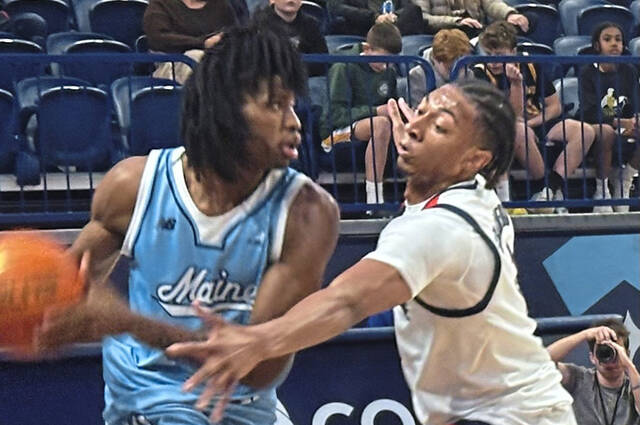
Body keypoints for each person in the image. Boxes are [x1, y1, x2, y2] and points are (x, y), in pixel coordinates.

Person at [167, 79, 578, 425]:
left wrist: (258, 342)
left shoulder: (441, 229)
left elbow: (347, 301)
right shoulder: (475, 195)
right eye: (421, 111)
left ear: (474, 159)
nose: (415, 127)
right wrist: (429, 147)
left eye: (441, 128)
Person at [34, 25, 339, 425]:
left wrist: (126, 322)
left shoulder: (308, 213)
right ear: (227, 110)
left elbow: (258, 366)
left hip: (243, 404)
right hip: (150, 402)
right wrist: (61, 313)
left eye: (294, 105)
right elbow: (60, 299)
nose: (295, 122)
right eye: (276, 105)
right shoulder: (134, 186)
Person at [473, 21, 596, 211]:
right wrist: (515, 85)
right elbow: (512, 115)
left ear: (513, 51)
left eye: (499, 55)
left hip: (535, 121)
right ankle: (539, 188)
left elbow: (554, 106)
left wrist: (534, 122)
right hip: (504, 128)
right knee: (518, 129)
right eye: (489, 54)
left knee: (584, 131)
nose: (494, 61)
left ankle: (550, 189)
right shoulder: (479, 73)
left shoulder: (530, 65)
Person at [320, 22, 401, 207]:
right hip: (333, 135)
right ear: (367, 48)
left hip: (372, 130)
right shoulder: (343, 67)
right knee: (380, 123)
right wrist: (375, 111)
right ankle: (375, 201)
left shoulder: (389, 72)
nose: (387, 65)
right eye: (383, 59)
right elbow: (335, 115)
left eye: (392, 60)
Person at [577, 21, 640, 213]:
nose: (614, 43)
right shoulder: (588, 72)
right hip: (593, 125)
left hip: (623, 124)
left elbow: (635, 103)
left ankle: (625, 179)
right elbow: (589, 112)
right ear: (597, 46)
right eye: (607, 39)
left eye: (618, 40)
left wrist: (636, 121)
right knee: (606, 132)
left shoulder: (629, 70)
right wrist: (622, 122)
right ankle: (601, 191)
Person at [546, 319, 640, 424]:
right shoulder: (579, 379)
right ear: (592, 357)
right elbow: (542, 361)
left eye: (616, 352)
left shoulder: (634, 385)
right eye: (603, 352)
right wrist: (585, 334)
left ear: (626, 355)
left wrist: (629, 366)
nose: (610, 361)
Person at [143, 0, 238, 82]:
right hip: (172, 62)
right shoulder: (160, 4)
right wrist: (203, 43)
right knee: (195, 56)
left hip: (217, 59)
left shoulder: (221, 5)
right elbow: (159, 38)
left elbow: (233, 33)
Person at [253, 0, 328, 77]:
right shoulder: (259, 24)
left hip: (305, 78)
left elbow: (322, 61)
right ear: (272, 0)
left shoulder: (311, 24)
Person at [408, 28, 473, 107]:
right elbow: (417, 110)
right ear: (436, 60)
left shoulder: (468, 73)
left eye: (462, 66)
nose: (458, 72)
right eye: (450, 68)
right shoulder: (417, 75)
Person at [412, 0, 529, 38]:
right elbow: (422, 17)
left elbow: (491, 3)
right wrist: (457, 22)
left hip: (476, 31)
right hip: (442, 34)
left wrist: (509, 14)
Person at [327, 0, 424, 36]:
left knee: (414, 10)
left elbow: (408, 7)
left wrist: (395, 16)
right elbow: (336, 7)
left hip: (396, 29)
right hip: (363, 30)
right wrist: (374, 17)